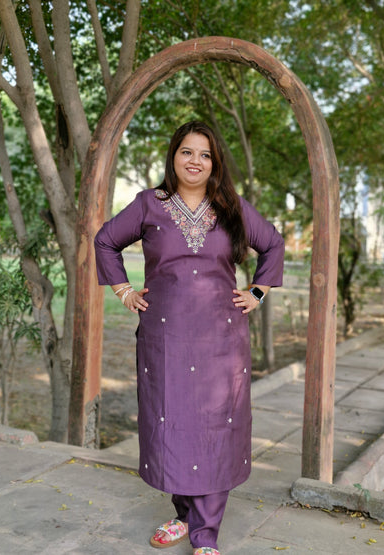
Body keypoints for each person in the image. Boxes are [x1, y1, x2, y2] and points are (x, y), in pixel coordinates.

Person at [94, 121, 284, 555]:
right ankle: (184, 515)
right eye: (187, 152)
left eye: (205, 154)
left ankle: (205, 534)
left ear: (214, 162)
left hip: (221, 336)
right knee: (171, 421)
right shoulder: (150, 204)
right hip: (166, 337)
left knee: (217, 425)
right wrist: (123, 290)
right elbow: (105, 241)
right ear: (173, 156)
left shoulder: (231, 207)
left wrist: (257, 291)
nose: (195, 161)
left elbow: (272, 244)